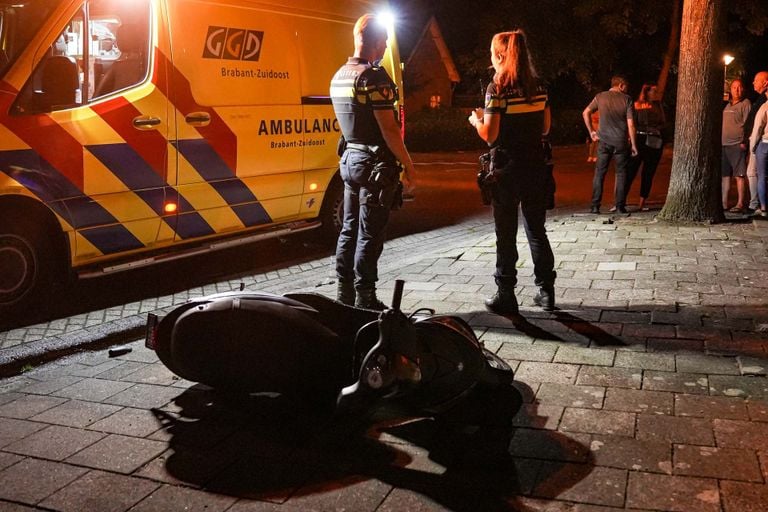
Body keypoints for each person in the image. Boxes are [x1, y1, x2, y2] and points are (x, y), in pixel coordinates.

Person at [329, 14, 415, 309]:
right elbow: (389, 129)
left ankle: (344, 292)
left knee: (349, 228)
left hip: (350, 159)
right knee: (370, 232)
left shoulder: (339, 75)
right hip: (375, 165)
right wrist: (408, 164)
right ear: (376, 41)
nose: (386, 46)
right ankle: (365, 297)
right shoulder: (374, 78)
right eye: (385, 41)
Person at [468, 30, 556, 314]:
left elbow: (490, 135)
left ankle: (506, 293)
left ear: (501, 55)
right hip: (535, 166)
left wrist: (476, 121)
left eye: (492, 53)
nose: (490, 58)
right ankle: (546, 290)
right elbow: (544, 128)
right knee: (536, 230)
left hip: (505, 169)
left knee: (505, 233)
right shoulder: (539, 86)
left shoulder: (497, 89)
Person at [582, 76, 639, 214]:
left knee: (600, 173)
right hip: (621, 142)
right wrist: (634, 145)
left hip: (604, 141)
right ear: (621, 85)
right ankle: (620, 206)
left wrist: (592, 132)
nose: (627, 89)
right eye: (626, 87)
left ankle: (595, 206)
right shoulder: (627, 99)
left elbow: (585, 112)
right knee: (621, 174)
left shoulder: (600, 97)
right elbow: (631, 124)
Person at [626, 83, 665, 211]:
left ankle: (642, 202)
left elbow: (663, 122)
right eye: (654, 91)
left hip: (654, 140)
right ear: (647, 92)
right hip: (640, 139)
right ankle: (621, 200)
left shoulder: (658, 105)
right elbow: (633, 122)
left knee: (648, 172)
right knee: (631, 170)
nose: (656, 94)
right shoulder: (637, 104)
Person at [721, 79, 751, 213]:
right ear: (730, 89)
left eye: (739, 87)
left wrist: (744, 141)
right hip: (724, 144)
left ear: (743, 89)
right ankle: (724, 203)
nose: (737, 90)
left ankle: (740, 203)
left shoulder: (745, 104)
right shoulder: (727, 105)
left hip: (737, 144)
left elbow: (748, 124)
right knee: (725, 175)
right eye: (734, 87)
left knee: (739, 175)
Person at [745, 71, 768, 212]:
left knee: (759, 175)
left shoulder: (764, 105)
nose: (753, 83)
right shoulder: (761, 100)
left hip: (763, 144)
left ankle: (761, 206)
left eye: (756, 80)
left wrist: (752, 147)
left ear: (766, 83)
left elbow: (758, 127)